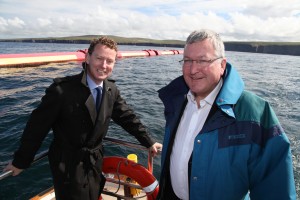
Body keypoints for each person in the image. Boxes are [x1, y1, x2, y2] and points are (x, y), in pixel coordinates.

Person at [4, 36, 162, 200]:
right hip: (68, 167)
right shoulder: (62, 91)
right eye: (99, 58)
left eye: (110, 61)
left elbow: (127, 117)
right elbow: (36, 128)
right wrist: (20, 161)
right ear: (87, 57)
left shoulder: (111, 90)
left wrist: (148, 141)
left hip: (95, 162)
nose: (104, 65)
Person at [156, 29, 296, 200]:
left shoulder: (255, 112)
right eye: (187, 60)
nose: (193, 70)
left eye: (202, 60)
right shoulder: (175, 100)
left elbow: (275, 187)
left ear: (222, 65)